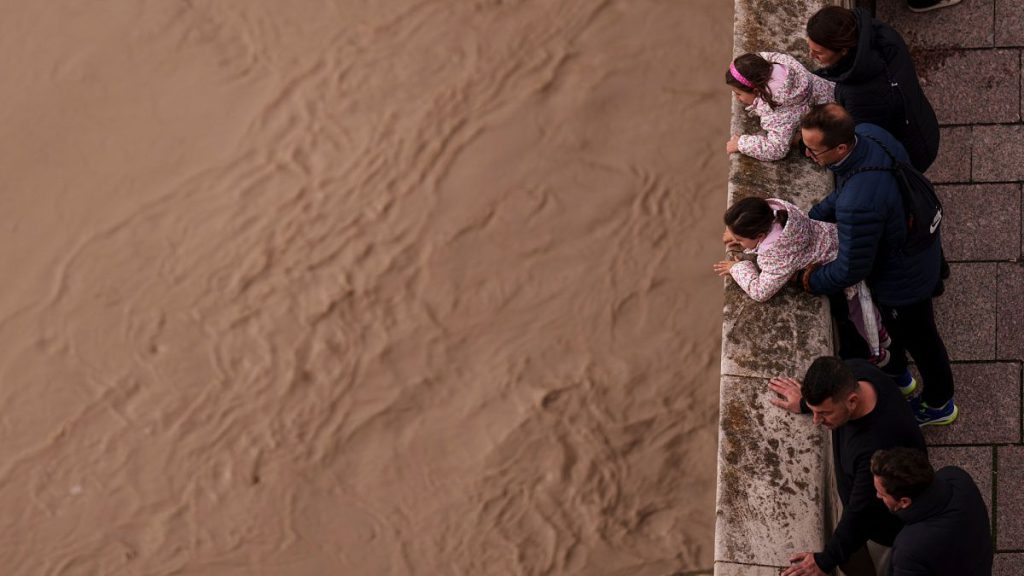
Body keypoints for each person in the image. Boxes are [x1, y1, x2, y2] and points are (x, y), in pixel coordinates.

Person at [799, 103, 957, 427]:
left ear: (840, 147)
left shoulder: (860, 202)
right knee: (896, 328)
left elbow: (851, 268)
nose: (808, 155)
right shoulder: (871, 134)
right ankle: (899, 376)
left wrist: (810, 281)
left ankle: (940, 404)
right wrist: (813, 217)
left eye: (814, 150)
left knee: (923, 339)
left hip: (903, 279)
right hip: (919, 249)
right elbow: (843, 189)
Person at [769, 356, 926, 576]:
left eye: (823, 413)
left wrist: (824, 561)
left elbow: (861, 513)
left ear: (852, 401)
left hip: (887, 529)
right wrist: (806, 404)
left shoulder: (875, 450)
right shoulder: (855, 372)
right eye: (815, 412)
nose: (816, 421)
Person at [714, 196, 890, 365]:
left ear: (759, 235)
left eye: (740, 240)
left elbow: (761, 292)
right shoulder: (781, 212)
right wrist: (739, 234)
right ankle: (882, 333)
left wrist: (738, 268)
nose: (737, 242)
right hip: (838, 240)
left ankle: (876, 353)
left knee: (859, 314)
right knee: (866, 311)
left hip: (844, 270)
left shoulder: (778, 255)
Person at [805, 6, 939, 172]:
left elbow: (857, 147)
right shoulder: (877, 35)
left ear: (844, 50)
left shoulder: (861, 94)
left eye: (818, 52)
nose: (811, 56)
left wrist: (811, 146)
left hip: (911, 153)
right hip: (921, 124)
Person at [871, 447, 993, 575]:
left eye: (882, 494)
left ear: (904, 501)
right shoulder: (956, 477)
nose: (878, 496)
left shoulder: (909, 551)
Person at [725, 52, 835, 161]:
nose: (736, 98)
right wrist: (738, 67)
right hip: (834, 92)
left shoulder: (777, 112)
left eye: (738, 93)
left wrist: (741, 143)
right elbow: (760, 58)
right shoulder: (782, 62)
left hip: (834, 124)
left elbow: (777, 149)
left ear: (757, 91)